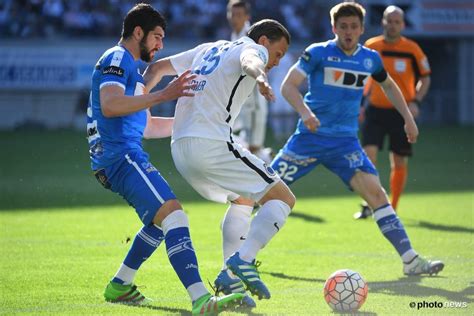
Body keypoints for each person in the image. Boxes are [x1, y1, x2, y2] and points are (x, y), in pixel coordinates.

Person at [86, 4, 245, 315]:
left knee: (159, 222)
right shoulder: (118, 58)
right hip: (121, 158)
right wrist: (164, 94)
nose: (160, 45)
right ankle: (201, 299)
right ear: (138, 33)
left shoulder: (130, 69)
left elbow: (145, 126)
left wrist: (194, 124)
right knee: (174, 215)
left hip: (120, 157)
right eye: (157, 37)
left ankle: (120, 284)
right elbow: (110, 105)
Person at [271, 2, 443, 276]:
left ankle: (410, 260)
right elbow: (288, 86)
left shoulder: (370, 59)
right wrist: (305, 113)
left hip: (345, 144)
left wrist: (408, 118)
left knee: (376, 193)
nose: (348, 32)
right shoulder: (317, 53)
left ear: (362, 29)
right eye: (343, 27)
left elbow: (389, 85)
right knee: (264, 191)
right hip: (308, 139)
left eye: (353, 27)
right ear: (333, 28)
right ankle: (239, 256)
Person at [144, 19, 294, 304]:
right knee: (283, 199)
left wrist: (138, 102)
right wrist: (261, 78)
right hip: (211, 145)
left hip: (180, 149)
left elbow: (156, 69)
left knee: (243, 199)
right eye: (278, 53)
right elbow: (252, 61)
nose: (276, 61)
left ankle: (231, 283)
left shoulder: (209, 48)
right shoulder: (253, 50)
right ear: (264, 41)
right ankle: (244, 260)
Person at [354, 5, 431, 219]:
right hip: (374, 110)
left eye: (398, 21)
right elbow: (364, 78)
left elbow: (425, 77)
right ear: (383, 22)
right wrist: (360, 103)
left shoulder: (412, 49)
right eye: (390, 20)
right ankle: (370, 203)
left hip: (400, 112)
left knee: (398, 162)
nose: (393, 25)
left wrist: (415, 101)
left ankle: (392, 208)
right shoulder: (372, 45)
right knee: (367, 159)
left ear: (403, 24)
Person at [226, 0, 272, 163]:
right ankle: (268, 159)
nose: (234, 18)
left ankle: (273, 165)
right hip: (240, 103)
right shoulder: (234, 37)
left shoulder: (252, 37)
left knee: (253, 149)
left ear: (247, 17)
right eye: (232, 13)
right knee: (240, 146)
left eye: (239, 15)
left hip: (253, 103)